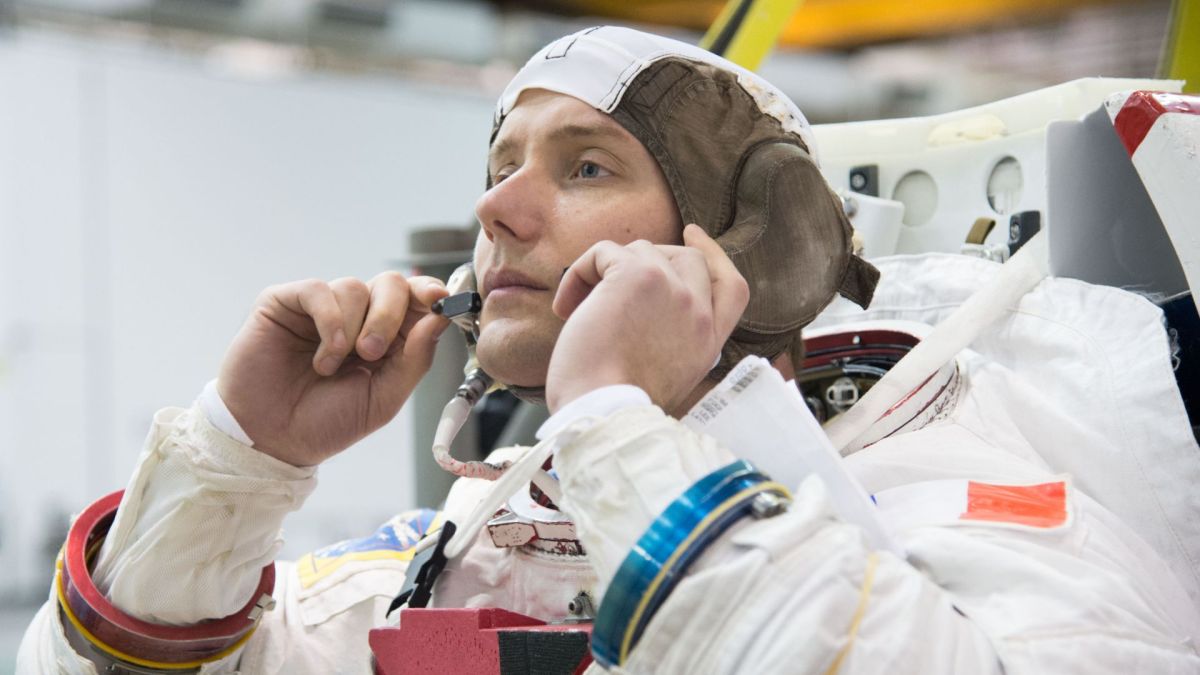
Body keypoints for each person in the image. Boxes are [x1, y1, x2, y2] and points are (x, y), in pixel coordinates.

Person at [19, 26, 1200, 674]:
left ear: (758, 245)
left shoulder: (967, 479)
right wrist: (236, 465)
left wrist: (616, 421)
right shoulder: (485, 529)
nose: (499, 213)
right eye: (499, 170)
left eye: (585, 168)